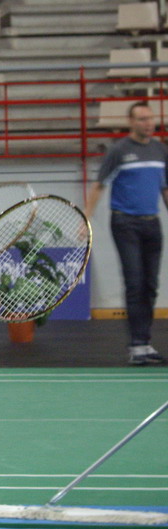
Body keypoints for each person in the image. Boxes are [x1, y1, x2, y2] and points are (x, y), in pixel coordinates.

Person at [86, 101, 168, 366]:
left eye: (150, 118)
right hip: (125, 224)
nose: (148, 123)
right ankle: (136, 346)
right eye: (142, 119)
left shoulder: (160, 150)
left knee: (151, 286)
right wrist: (85, 217)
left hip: (152, 223)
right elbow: (99, 186)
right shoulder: (119, 151)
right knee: (135, 284)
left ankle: (145, 343)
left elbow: (164, 188)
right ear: (131, 122)